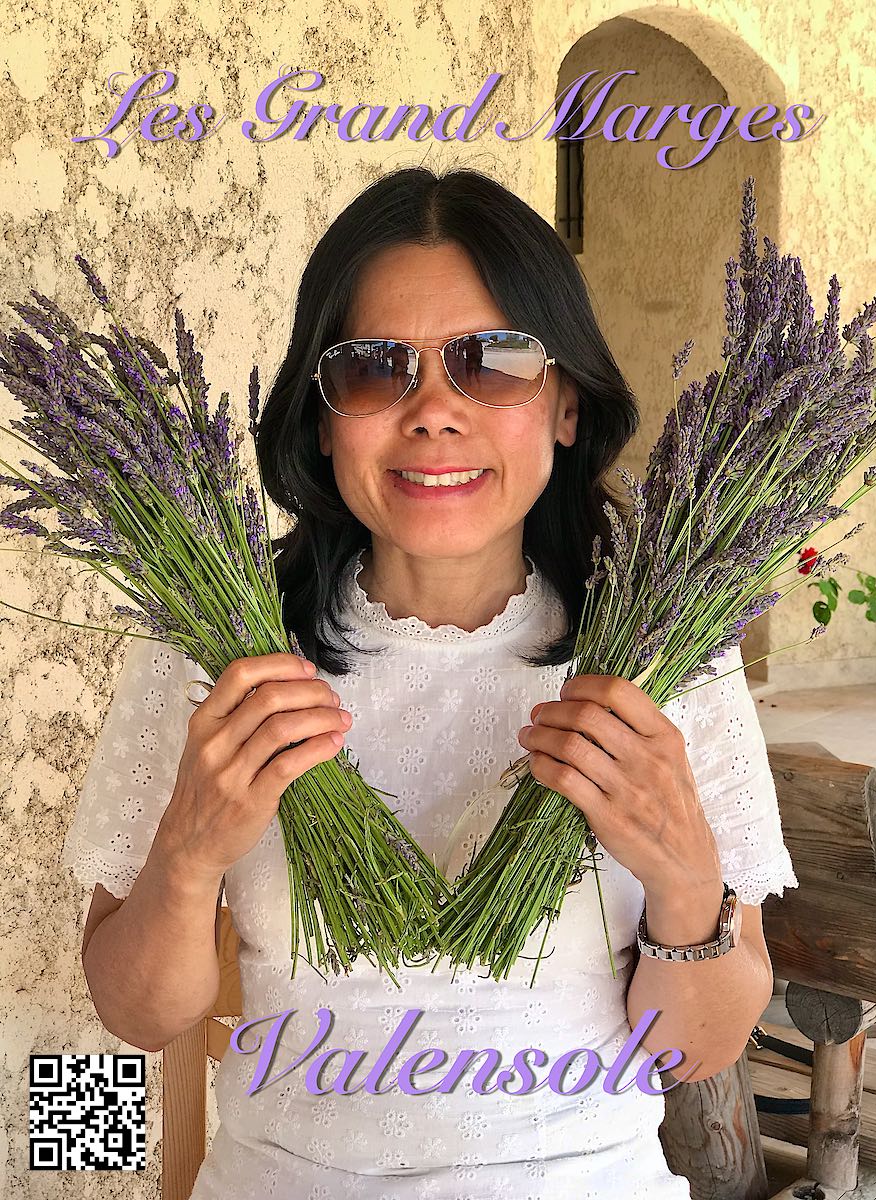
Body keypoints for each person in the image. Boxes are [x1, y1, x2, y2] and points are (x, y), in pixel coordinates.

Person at [61, 165, 799, 1199]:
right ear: (321, 419)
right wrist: (187, 858)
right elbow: (134, 1014)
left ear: (568, 405)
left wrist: (683, 889)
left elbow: (703, 1050)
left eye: (493, 362)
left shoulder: (664, 653)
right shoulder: (220, 651)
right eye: (374, 369)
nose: (435, 413)